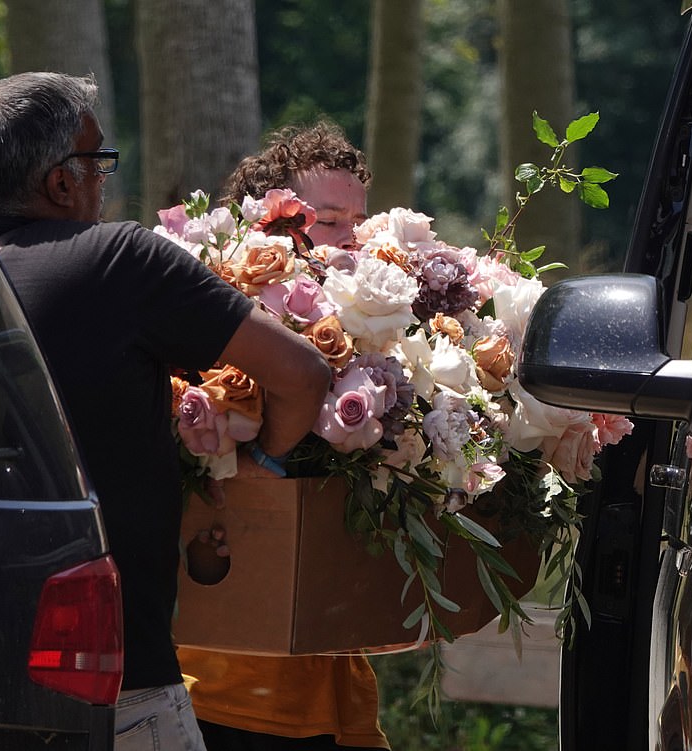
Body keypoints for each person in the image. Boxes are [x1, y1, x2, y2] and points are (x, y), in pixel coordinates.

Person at [0, 72, 331, 751]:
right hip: (116, 687)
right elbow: (302, 374)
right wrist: (262, 461)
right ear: (62, 183)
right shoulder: (119, 260)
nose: (105, 183)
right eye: (98, 162)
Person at [176, 120, 390, 750]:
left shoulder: (385, 335)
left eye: (357, 220)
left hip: (321, 679)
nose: (350, 239)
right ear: (265, 227)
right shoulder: (206, 326)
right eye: (327, 220)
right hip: (220, 683)